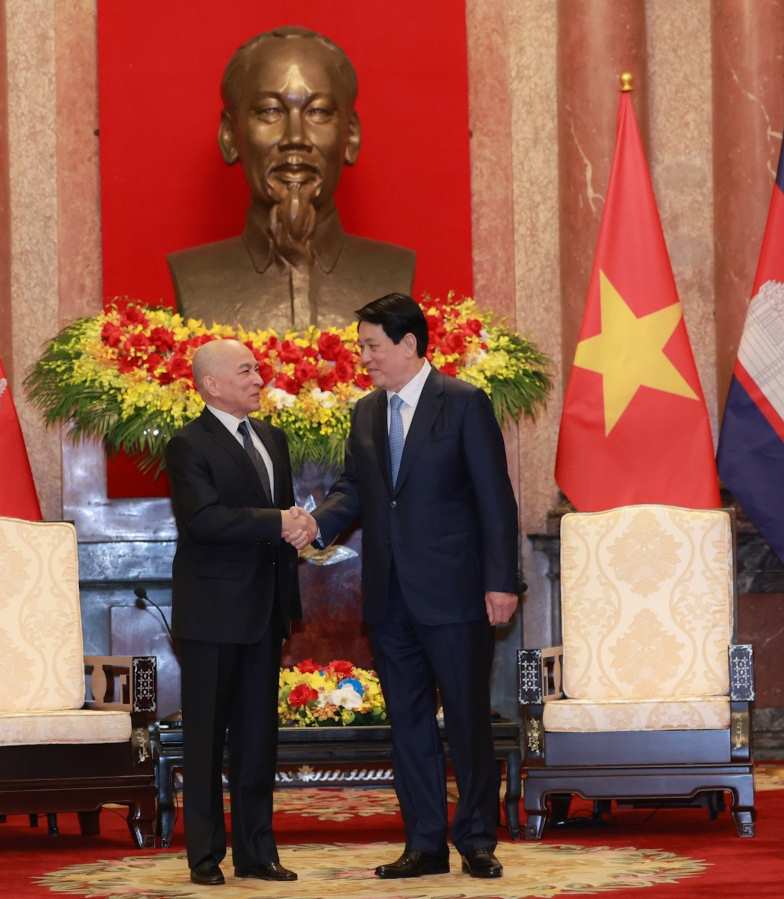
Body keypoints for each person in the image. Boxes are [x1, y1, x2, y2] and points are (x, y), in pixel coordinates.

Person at [296, 293, 522, 880]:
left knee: (468, 720)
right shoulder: (367, 413)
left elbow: (495, 499)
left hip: (456, 592)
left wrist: (501, 581)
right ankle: (424, 843)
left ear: (409, 345)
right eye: (361, 345)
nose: (363, 357)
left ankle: (476, 839)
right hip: (390, 596)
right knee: (409, 724)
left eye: (372, 345)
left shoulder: (464, 404)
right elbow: (354, 489)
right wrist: (315, 522)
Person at [164, 339, 310, 886]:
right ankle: (205, 856)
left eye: (257, 367)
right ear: (212, 384)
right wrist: (278, 521)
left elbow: (284, 517)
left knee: (257, 739)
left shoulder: (273, 438)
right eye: (245, 369)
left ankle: (257, 853)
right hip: (211, 614)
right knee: (206, 740)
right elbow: (203, 520)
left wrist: (294, 528)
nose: (258, 377)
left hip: (264, 611)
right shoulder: (189, 444)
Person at [168, 26, 414, 332]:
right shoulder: (193, 276)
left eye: (319, 112)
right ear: (229, 136)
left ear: (350, 136)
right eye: (270, 111)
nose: (295, 138)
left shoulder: (393, 272)